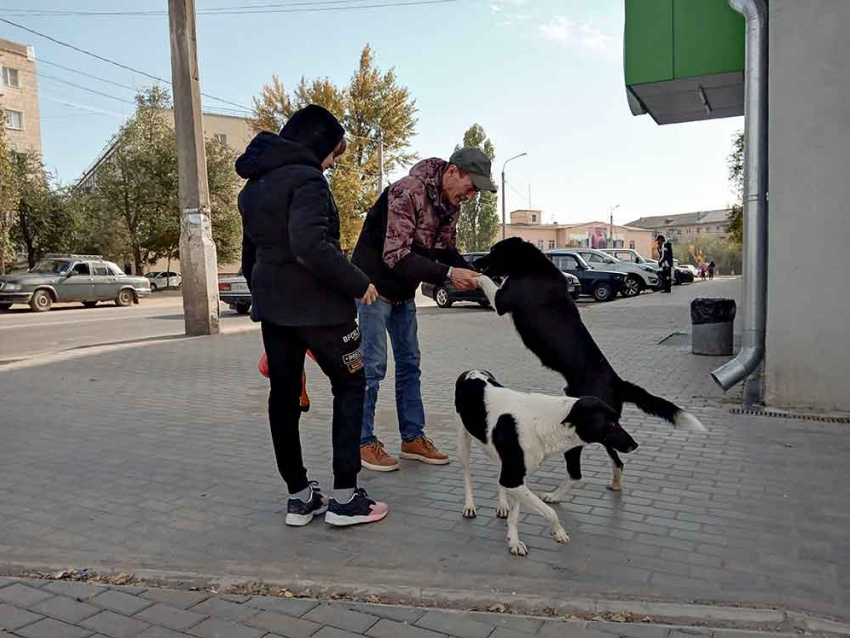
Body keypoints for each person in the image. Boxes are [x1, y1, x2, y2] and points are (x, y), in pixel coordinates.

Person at [237, 104, 388, 528]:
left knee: (282, 399)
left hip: (275, 314)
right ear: (317, 143)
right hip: (321, 312)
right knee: (352, 383)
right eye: (332, 155)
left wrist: (269, 296)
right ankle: (345, 498)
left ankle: (300, 497)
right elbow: (309, 245)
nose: (331, 163)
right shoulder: (308, 180)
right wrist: (359, 282)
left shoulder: (253, 188)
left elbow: (251, 260)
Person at [351, 147, 496, 471]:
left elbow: (446, 250)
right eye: (472, 185)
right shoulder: (408, 191)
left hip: (403, 293)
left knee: (410, 366)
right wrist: (448, 275)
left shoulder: (450, 205)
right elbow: (394, 255)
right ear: (453, 171)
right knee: (373, 367)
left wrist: (476, 275)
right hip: (372, 289)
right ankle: (361, 442)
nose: (472, 195)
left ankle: (412, 438)